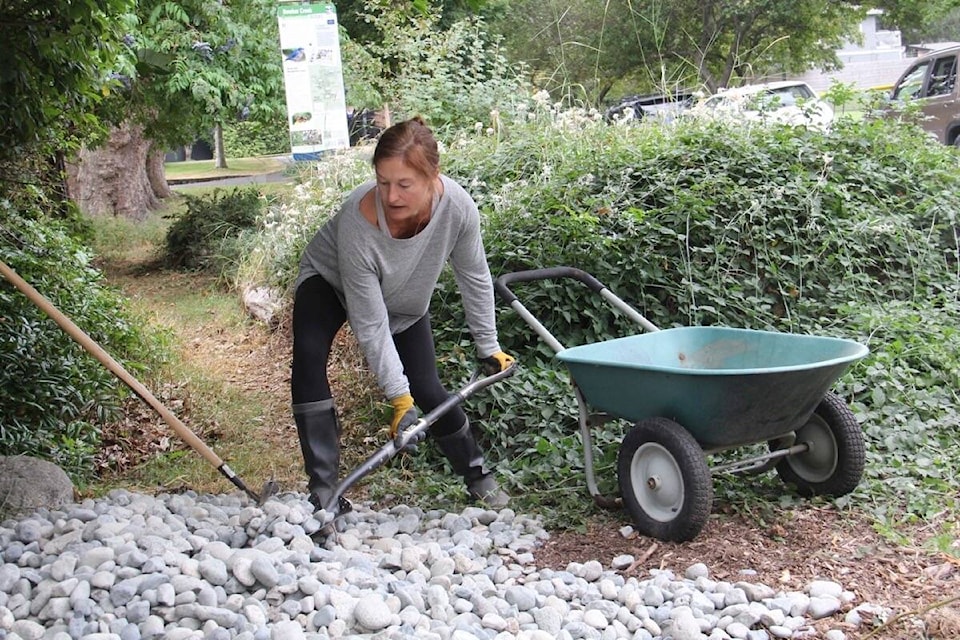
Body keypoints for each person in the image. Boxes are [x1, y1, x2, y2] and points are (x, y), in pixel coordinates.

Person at [291, 116, 515, 514]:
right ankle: (323, 490)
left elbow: (475, 276)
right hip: (329, 283)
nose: (391, 196)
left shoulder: (458, 209)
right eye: (383, 182)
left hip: (405, 301)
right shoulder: (358, 223)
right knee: (308, 358)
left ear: (433, 176)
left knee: (429, 390)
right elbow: (371, 323)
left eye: (404, 184)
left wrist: (489, 345)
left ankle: (478, 475)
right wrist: (398, 398)